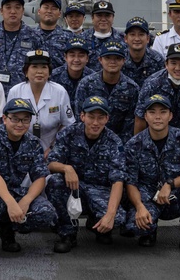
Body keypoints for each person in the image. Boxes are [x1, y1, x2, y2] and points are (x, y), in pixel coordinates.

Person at [0, 98, 58, 266]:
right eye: (15, 118)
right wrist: (11, 204)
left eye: (25, 119)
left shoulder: (33, 142)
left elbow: (40, 177)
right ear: (4, 118)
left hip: (13, 189)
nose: (20, 124)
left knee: (46, 213)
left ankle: (6, 228)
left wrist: (25, 201)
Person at [124, 94, 180, 255]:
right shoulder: (133, 145)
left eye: (163, 112)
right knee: (134, 228)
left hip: (176, 195)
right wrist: (139, 207)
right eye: (152, 112)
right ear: (145, 116)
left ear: (170, 116)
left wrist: (170, 184)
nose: (158, 117)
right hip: (148, 196)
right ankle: (150, 228)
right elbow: (131, 182)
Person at [47, 95, 127, 252]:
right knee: (55, 181)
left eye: (100, 117)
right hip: (74, 188)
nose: (95, 123)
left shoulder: (114, 142)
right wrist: (66, 168)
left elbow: (118, 180)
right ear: (82, 116)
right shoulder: (68, 134)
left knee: (117, 218)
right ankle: (67, 233)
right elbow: (51, 163)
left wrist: (110, 214)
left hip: (99, 190)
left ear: (107, 119)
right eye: (91, 117)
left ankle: (96, 223)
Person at [134, 43, 180, 141]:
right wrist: (138, 147)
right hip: (155, 135)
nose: (177, 68)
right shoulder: (152, 83)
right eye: (173, 63)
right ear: (166, 64)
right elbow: (140, 117)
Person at [6, 50, 74, 154]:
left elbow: (68, 125)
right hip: (21, 148)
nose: (39, 71)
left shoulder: (60, 92)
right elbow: (8, 123)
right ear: (26, 72)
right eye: (34, 67)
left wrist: (53, 147)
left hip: (54, 147)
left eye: (44, 67)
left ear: (50, 72)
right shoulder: (15, 91)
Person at [74, 41, 140, 144]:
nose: (112, 62)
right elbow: (80, 118)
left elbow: (129, 126)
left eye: (117, 58)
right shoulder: (86, 84)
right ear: (100, 60)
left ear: (124, 61)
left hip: (119, 143)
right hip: (88, 140)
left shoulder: (132, 88)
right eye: (108, 58)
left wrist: (118, 147)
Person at [0, 0, 41, 95]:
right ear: (1, 11)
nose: (13, 11)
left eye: (17, 7)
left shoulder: (33, 36)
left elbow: (40, 68)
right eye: (8, 7)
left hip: (24, 95)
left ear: (23, 11)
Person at [50, 36, 94, 116]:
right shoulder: (53, 77)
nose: (76, 60)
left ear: (87, 58)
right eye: (72, 55)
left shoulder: (94, 79)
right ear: (65, 57)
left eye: (81, 56)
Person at [121, 17, 165, 89]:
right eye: (132, 34)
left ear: (148, 38)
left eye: (141, 35)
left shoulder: (158, 60)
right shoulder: (119, 59)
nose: (137, 39)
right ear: (125, 38)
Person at [83, 0, 123, 70]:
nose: (103, 19)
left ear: (113, 18)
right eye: (99, 15)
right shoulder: (82, 38)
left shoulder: (123, 39)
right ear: (92, 18)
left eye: (107, 15)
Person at [35, 0, 71, 69]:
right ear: (39, 11)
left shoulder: (69, 37)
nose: (49, 11)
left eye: (54, 8)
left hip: (59, 79)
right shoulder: (28, 35)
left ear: (60, 14)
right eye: (46, 7)